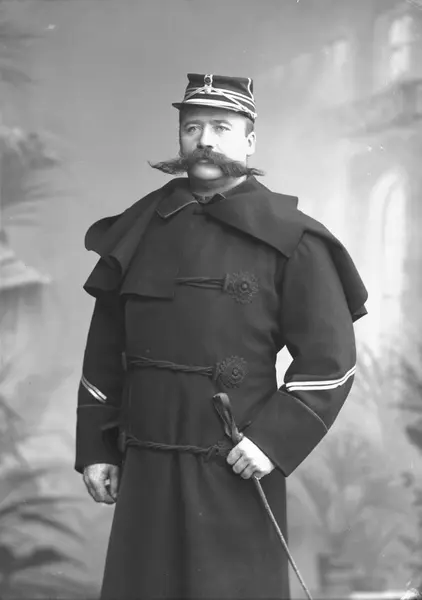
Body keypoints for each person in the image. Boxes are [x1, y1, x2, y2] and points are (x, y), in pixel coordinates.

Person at [75, 73, 368, 600]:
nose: (204, 140)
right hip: (145, 463)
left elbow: (331, 359)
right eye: (192, 128)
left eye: (220, 128)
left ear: (249, 140)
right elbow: (103, 349)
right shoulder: (140, 228)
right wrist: (97, 447)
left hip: (235, 460)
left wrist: (272, 442)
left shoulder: (293, 237)